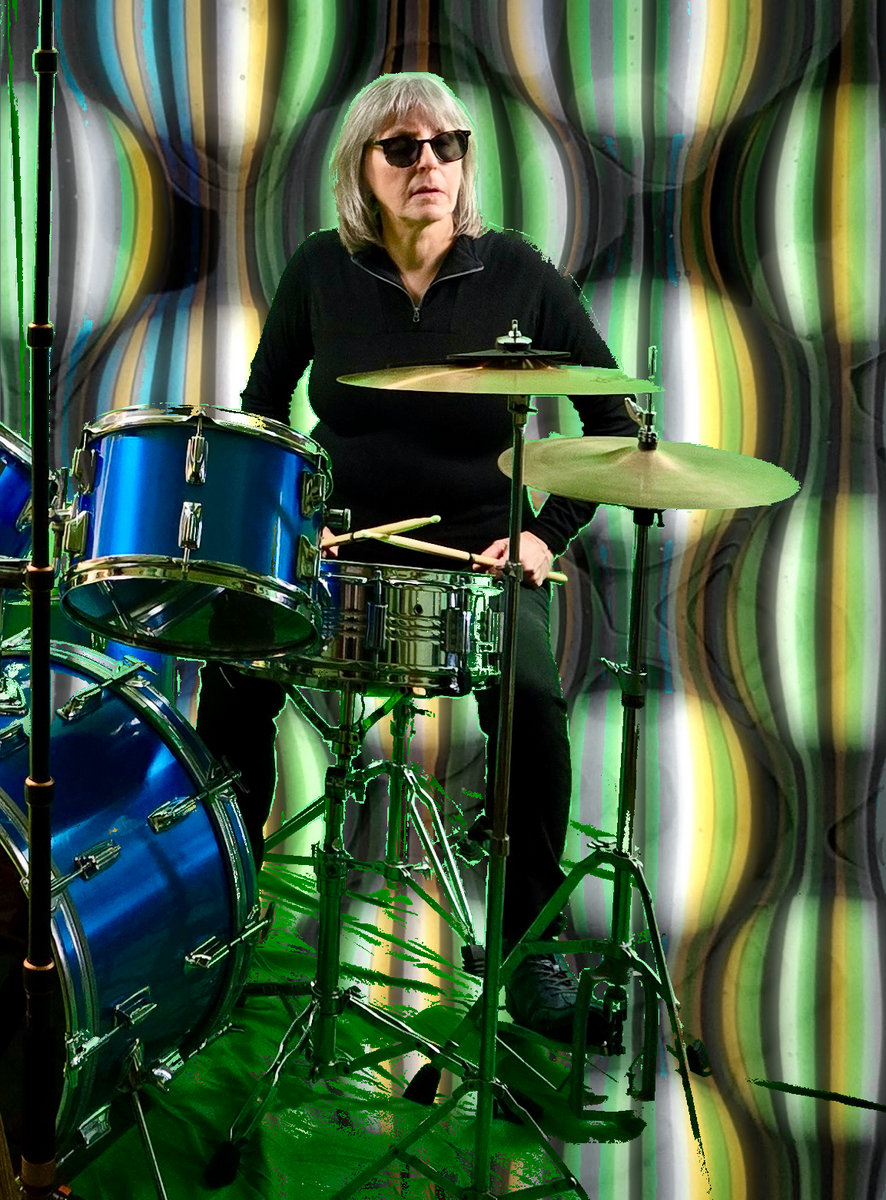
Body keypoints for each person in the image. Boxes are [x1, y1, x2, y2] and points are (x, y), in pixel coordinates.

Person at [197, 71, 635, 1045]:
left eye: (447, 145)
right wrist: (285, 518)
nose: (429, 162)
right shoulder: (321, 270)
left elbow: (614, 425)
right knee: (227, 671)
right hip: (337, 546)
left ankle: (530, 949)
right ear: (363, 169)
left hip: (481, 551)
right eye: (402, 148)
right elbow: (262, 410)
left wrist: (543, 533)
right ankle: (220, 910)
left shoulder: (520, 273)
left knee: (531, 701)